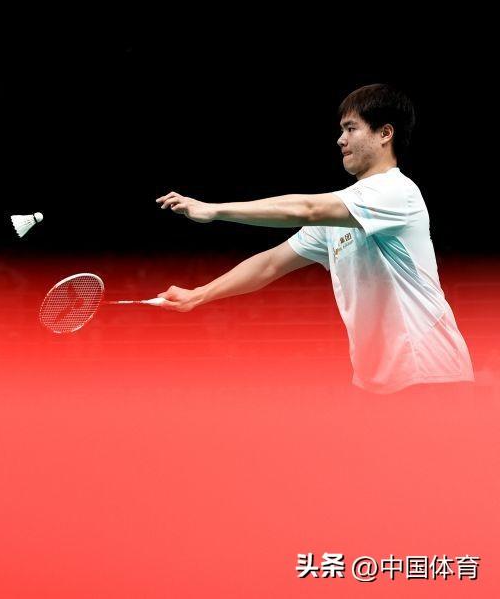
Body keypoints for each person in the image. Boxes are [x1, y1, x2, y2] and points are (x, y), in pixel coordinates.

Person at [155, 84, 474, 394]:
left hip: (430, 371)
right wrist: (198, 295)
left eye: (351, 128)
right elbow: (270, 264)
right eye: (341, 130)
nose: (340, 139)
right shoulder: (342, 214)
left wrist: (213, 210)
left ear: (385, 133)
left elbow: (306, 209)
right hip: (377, 380)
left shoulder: (395, 192)